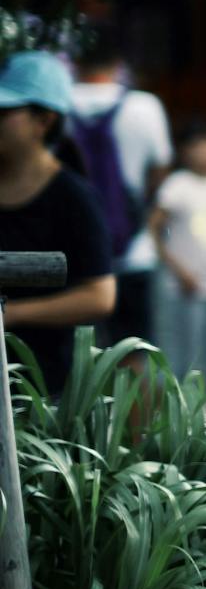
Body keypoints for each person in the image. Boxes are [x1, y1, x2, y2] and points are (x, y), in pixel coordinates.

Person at [0, 53, 117, 395]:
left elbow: (100, 296)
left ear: (44, 120)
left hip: (46, 390)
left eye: (5, 112)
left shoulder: (73, 197)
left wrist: (11, 314)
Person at [66, 29, 173, 347]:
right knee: (135, 348)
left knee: (80, 349)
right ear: (119, 62)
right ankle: (134, 401)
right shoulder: (145, 106)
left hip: (72, 251)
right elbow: (159, 172)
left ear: (75, 62)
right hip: (133, 247)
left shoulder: (54, 106)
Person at [149, 118, 206, 393]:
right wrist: (179, 270)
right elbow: (154, 228)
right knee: (182, 358)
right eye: (199, 145)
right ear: (185, 151)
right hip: (185, 286)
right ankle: (173, 420)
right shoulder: (176, 185)